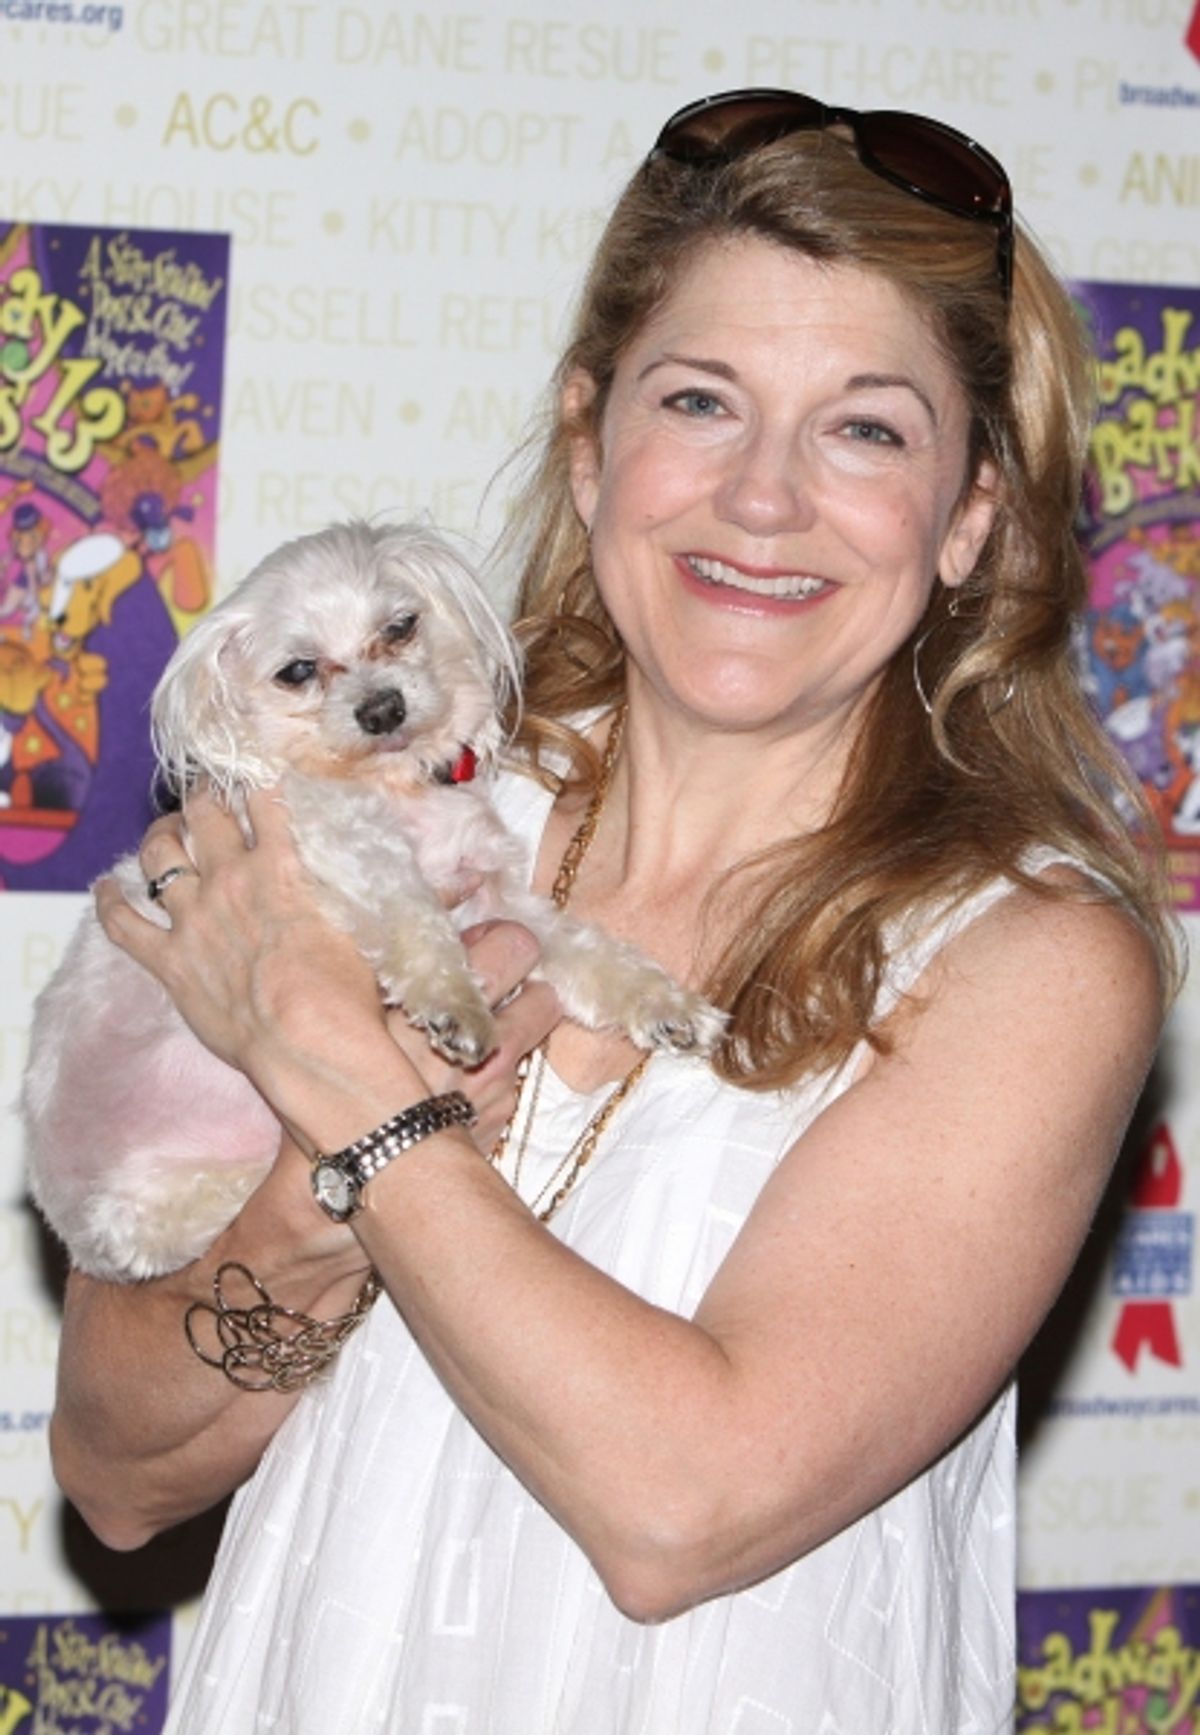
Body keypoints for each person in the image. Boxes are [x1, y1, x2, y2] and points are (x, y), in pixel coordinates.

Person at [49, 90, 1177, 1732]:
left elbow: (682, 1509)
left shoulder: (1026, 960)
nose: (765, 497)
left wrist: (338, 1074)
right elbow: (116, 1472)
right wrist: (301, 1210)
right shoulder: (384, 831)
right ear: (591, 448)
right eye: (702, 403)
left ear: (970, 521)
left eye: (867, 429)